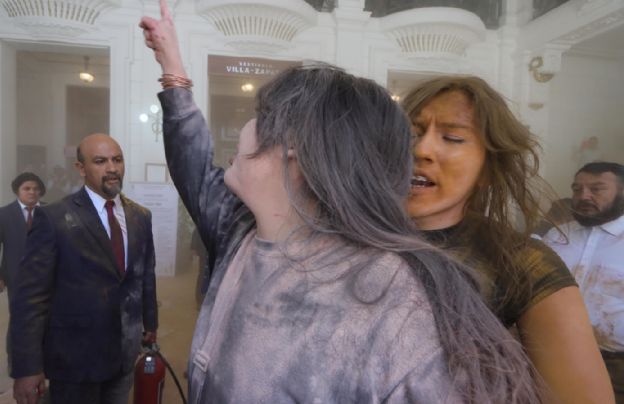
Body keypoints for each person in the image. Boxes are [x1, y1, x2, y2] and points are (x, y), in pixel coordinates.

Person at [141, 2, 540, 402]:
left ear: (295, 143)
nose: (245, 127)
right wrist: (172, 69)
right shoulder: (241, 233)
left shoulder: (396, 305)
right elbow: (193, 165)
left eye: (259, 114)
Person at [402, 76, 614, 403]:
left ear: (488, 169)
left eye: (452, 137)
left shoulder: (522, 262)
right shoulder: (335, 242)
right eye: (410, 134)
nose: (421, 149)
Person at [9, 134, 158, 404]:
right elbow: (30, 297)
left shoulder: (140, 216)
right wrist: (27, 367)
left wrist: (150, 323)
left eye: (117, 160)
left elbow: (144, 274)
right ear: (81, 168)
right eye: (100, 161)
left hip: (124, 354)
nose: (112, 168)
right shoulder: (53, 218)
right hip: (75, 360)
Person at [542, 161, 624, 403]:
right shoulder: (556, 234)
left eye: (596, 189)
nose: (583, 196)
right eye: (577, 189)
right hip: (551, 355)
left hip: (615, 365)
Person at [0, 172, 45, 296]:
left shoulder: (52, 211)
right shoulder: (3, 215)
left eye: (36, 189)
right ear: (17, 191)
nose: (32, 192)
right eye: (27, 188)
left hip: (48, 278)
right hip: (16, 279)